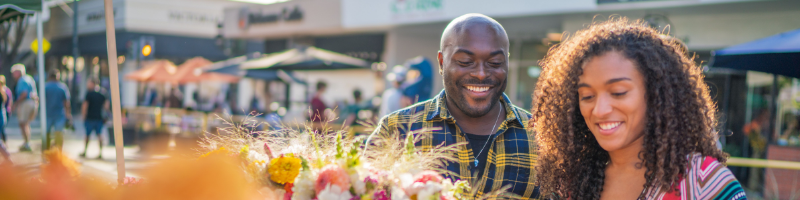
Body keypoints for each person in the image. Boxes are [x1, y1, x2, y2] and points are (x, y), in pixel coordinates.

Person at [531, 18, 746, 199]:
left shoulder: (702, 180)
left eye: (618, 92)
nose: (599, 110)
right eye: (587, 96)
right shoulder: (575, 182)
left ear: (656, 94)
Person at [369, 13, 539, 199]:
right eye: (465, 62)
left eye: (494, 63)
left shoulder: (540, 137)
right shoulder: (397, 129)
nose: (481, 74)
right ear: (442, 63)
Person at [11, 64, 38, 152]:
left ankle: (26, 143)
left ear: (19, 72)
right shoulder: (29, 78)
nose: (12, 75)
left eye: (14, 73)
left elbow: (24, 94)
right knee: (26, 123)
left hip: (26, 102)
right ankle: (26, 142)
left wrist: (15, 104)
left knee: (22, 123)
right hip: (33, 102)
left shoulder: (22, 81)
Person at [44, 69, 71, 150]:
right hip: (59, 114)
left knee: (47, 133)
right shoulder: (62, 87)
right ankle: (59, 151)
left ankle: (47, 150)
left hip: (47, 113)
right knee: (59, 134)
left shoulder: (45, 86)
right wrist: (68, 114)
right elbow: (66, 102)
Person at [81, 78, 108, 158]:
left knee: (87, 135)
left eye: (89, 83)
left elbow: (85, 105)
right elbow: (106, 106)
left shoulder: (89, 93)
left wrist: (83, 116)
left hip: (90, 117)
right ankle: (100, 153)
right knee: (99, 135)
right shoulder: (103, 93)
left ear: (93, 83)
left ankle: (85, 151)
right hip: (99, 118)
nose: (88, 85)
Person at [0, 75, 12, 144]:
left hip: (4, 111)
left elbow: (8, 102)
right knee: (2, 130)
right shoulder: (5, 91)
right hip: (4, 111)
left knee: (2, 130)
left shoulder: (5, 91)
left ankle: (5, 151)